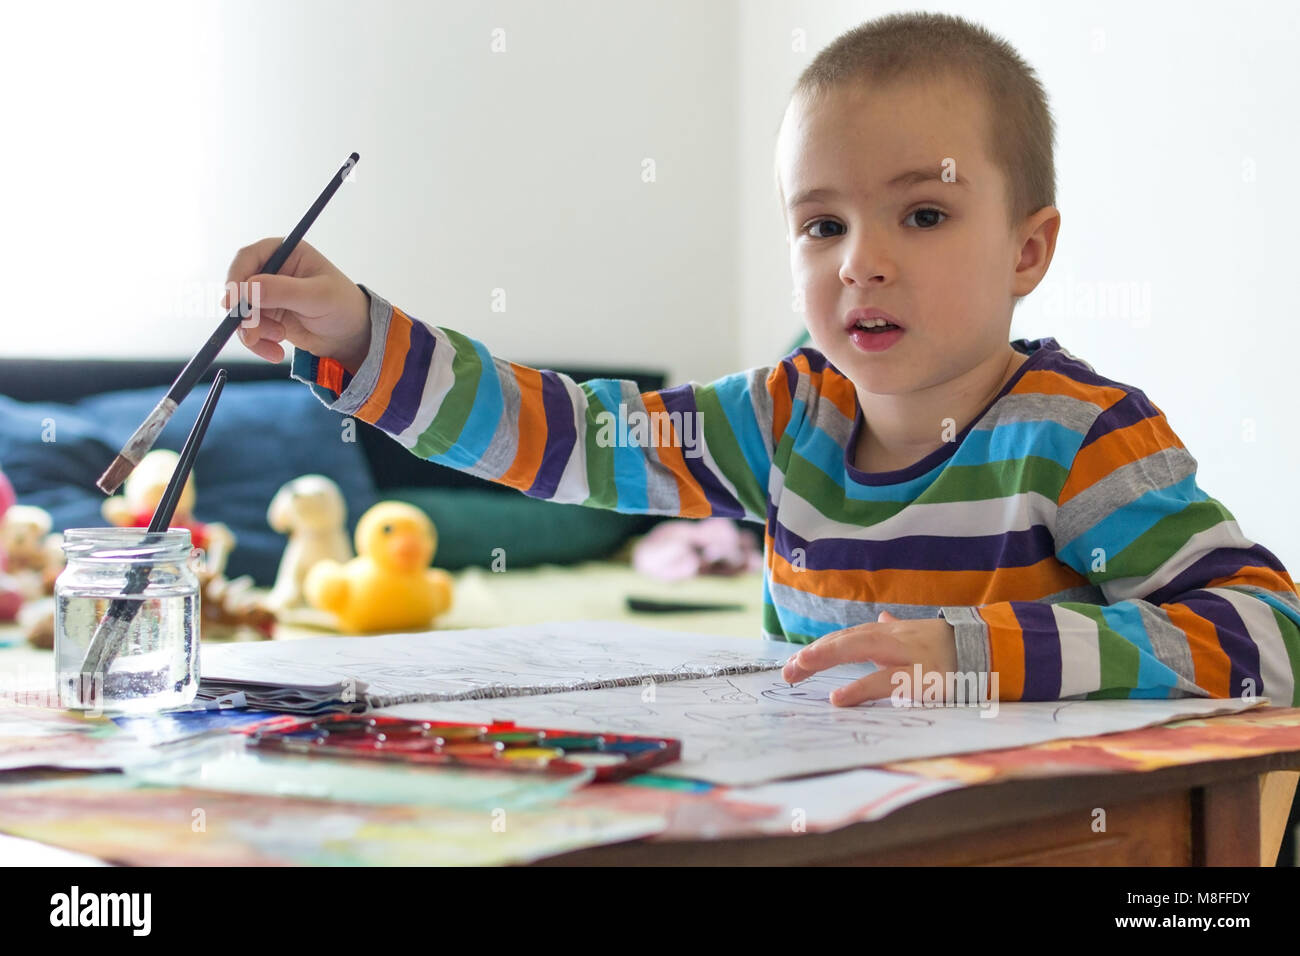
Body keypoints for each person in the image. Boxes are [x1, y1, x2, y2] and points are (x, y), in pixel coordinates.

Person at [224, 12, 1300, 707]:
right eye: (820, 225)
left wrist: (973, 654)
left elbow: (1267, 635)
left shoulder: (1077, 434)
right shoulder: (783, 417)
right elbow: (566, 435)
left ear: (1028, 249)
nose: (860, 264)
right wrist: (362, 336)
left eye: (921, 214)